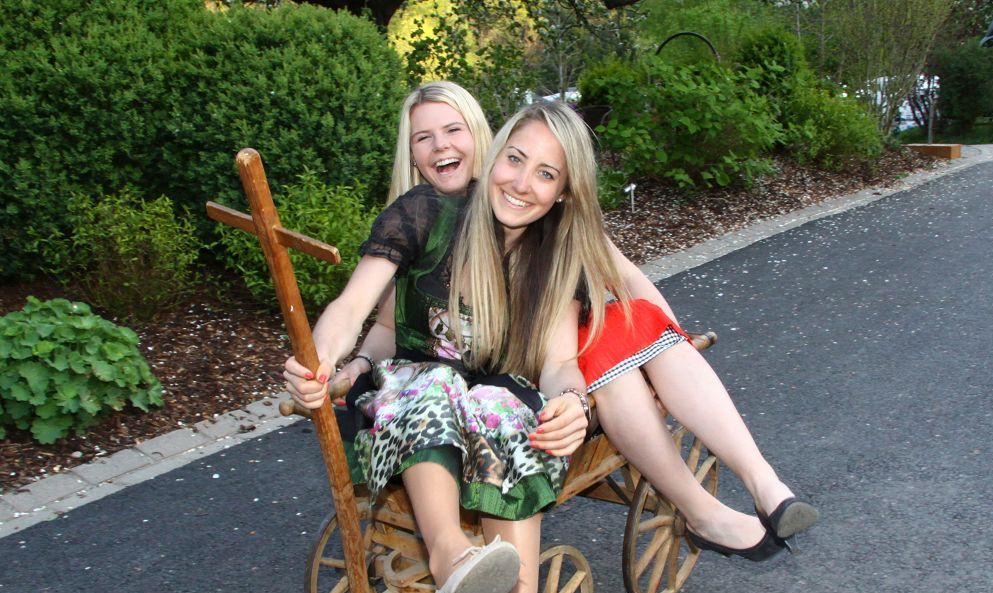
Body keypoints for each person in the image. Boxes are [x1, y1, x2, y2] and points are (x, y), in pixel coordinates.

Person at [342, 82, 818, 559]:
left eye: (453, 130)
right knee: (613, 370)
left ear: (485, 138)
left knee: (639, 330)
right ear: (410, 152)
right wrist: (362, 362)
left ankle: (762, 485)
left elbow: (623, 276)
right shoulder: (422, 220)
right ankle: (703, 511)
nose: (440, 146)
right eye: (423, 138)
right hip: (517, 372)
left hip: (558, 346)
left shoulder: (539, 203)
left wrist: (673, 336)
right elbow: (393, 324)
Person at [285, 101, 628, 593]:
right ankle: (451, 560)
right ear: (493, 154)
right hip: (407, 403)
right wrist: (319, 358)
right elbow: (354, 306)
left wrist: (572, 402)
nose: (522, 183)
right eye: (515, 159)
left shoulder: (558, 252)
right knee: (437, 383)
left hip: (491, 410)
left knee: (508, 413)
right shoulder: (427, 214)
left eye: (546, 174)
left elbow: (559, 361)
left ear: (564, 192)